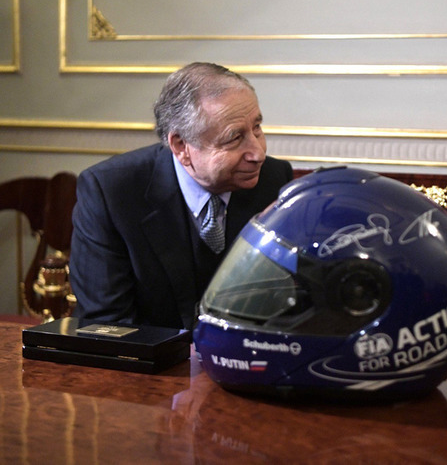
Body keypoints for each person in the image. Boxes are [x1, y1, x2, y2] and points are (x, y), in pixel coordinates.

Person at [70, 62, 293, 330]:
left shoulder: (274, 179)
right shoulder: (110, 192)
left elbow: (284, 304)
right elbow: (107, 324)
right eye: (235, 138)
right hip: (149, 366)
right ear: (181, 146)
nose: (257, 153)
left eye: (257, 128)